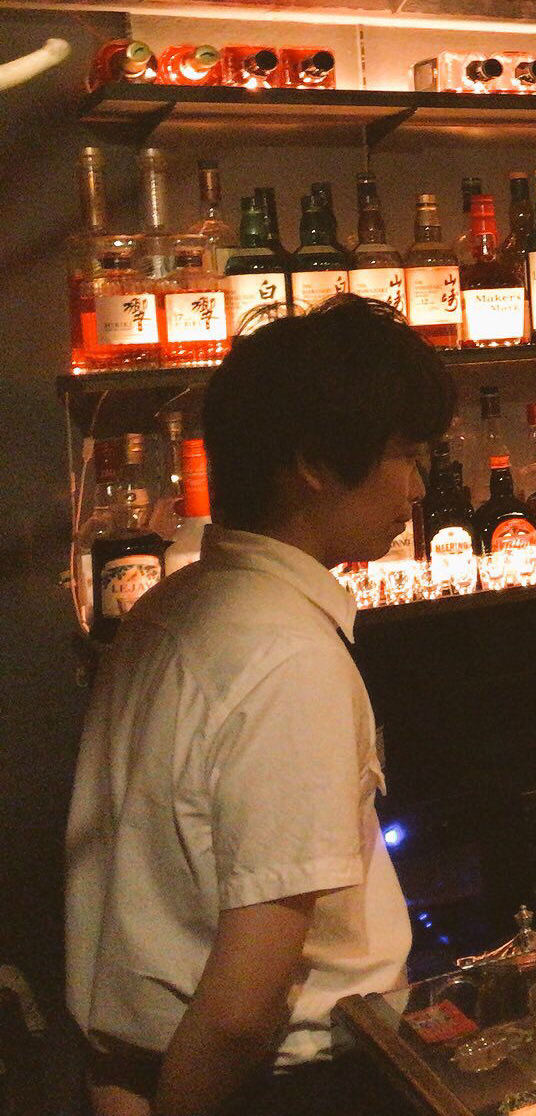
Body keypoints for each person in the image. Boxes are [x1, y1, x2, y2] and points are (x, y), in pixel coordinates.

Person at [66, 296, 454, 1116]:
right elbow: (244, 1007)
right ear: (314, 463)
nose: (418, 487)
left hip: (143, 1067)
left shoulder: (164, 611)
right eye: (404, 455)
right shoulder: (288, 658)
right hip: (294, 1086)